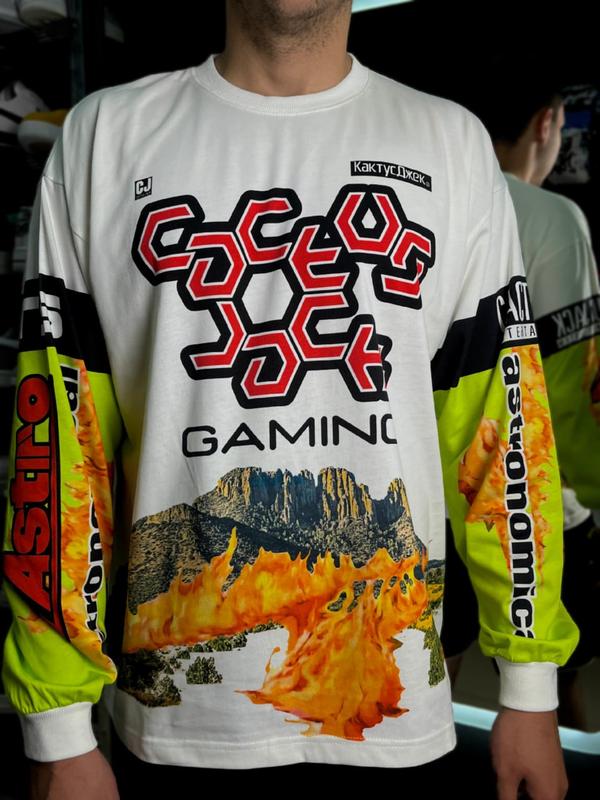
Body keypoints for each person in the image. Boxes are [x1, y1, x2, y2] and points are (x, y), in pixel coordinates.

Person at [1, 2, 578, 798]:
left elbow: (506, 434)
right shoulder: (105, 137)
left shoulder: (449, 143)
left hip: (393, 720)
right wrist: (58, 729)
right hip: (173, 734)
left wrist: (531, 688)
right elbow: (63, 446)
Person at [441, 66, 600, 730]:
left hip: (430, 500)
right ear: (547, 121)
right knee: (555, 693)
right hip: (532, 504)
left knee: (432, 689)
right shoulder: (552, 217)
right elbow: (570, 390)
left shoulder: (430, 201)